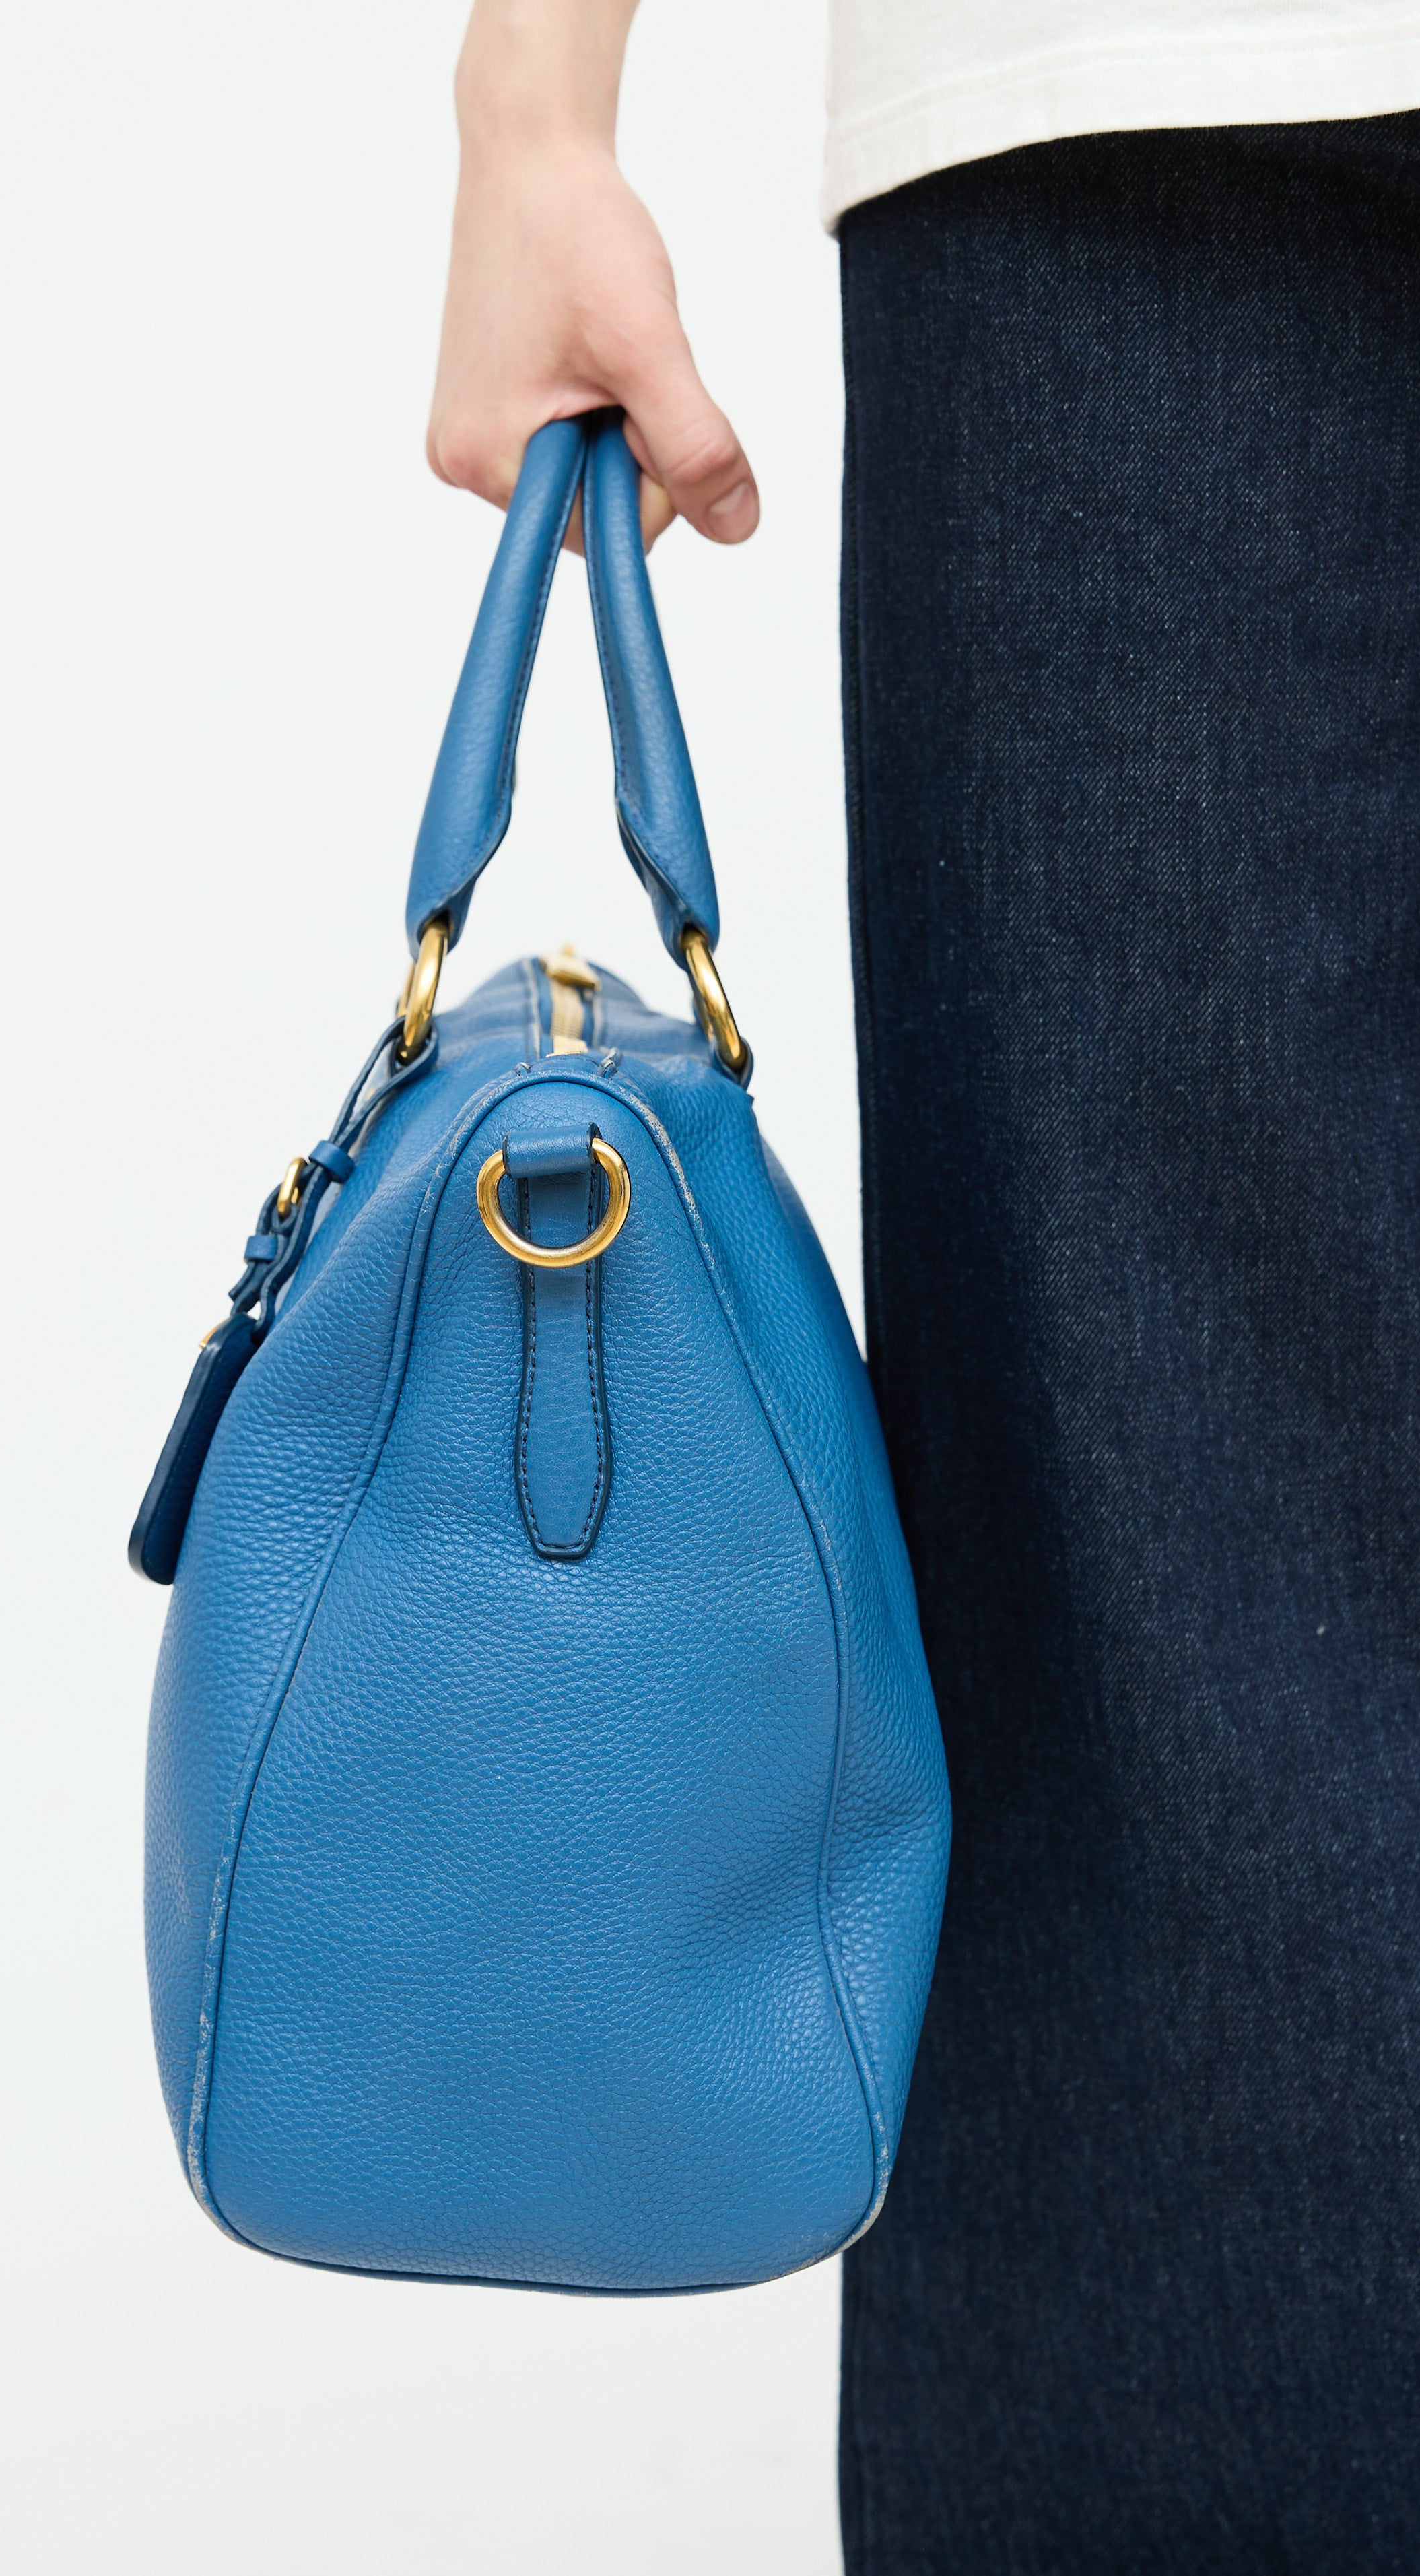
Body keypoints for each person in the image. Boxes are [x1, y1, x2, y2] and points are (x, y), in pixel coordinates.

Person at [428, 3, 1420, 2569]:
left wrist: (537, 105)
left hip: (1116, 118)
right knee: (1133, 1656)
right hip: (1121, 122)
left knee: (1155, 1648)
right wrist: (532, 105)